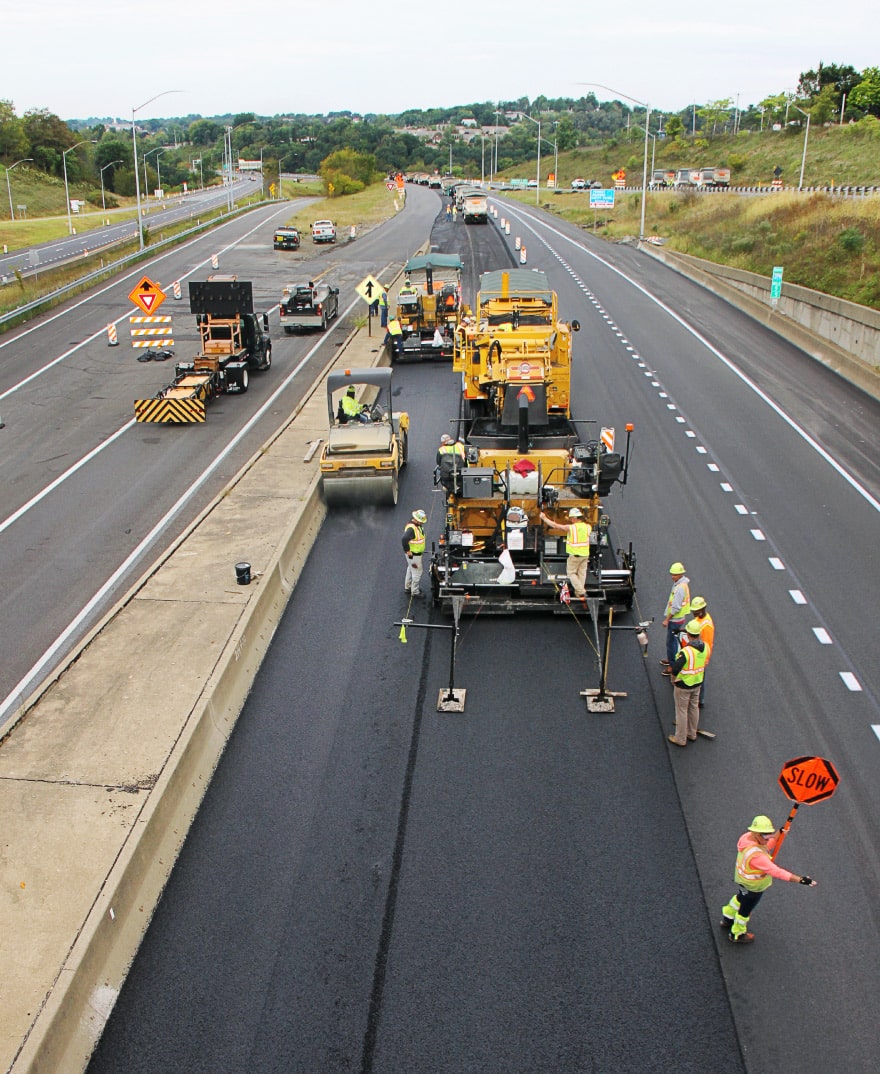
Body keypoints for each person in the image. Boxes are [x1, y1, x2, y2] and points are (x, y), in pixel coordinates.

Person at [721, 815, 817, 944]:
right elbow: (776, 871)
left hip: (742, 881)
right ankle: (737, 933)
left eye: (770, 835)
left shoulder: (746, 839)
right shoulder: (757, 857)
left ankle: (727, 917)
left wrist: (779, 833)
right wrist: (800, 879)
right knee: (745, 911)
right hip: (754, 887)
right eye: (765, 836)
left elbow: (765, 846)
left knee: (740, 898)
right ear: (756, 834)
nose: (768, 839)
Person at [667, 619, 709, 746]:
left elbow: (675, 669)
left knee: (681, 710)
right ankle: (692, 733)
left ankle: (680, 738)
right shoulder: (705, 647)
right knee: (693, 707)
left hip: (684, 684)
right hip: (697, 683)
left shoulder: (686, 652)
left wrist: (673, 680)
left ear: (688, 634)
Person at [538, 507, 592, 599]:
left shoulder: (571, 528)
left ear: (575, 518)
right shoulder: (588, 527)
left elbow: (555, 526)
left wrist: (544, 518)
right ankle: (579, 593)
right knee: (582, 574)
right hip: (585, 555)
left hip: (575, 555)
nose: (571, 520)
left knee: (571, 573)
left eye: (571, 518)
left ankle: (582, 592)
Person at [661, 562, 691, 672]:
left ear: (680, 574)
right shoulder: (680, 584)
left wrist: (666, 620)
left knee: (671, 642)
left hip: (675, 620)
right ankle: (670, 659)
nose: (672, 576)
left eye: (674, 574)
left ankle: (672, 665)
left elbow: (676, 607)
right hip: (679, 619)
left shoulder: (679, 588)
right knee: (672, 641)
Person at [689, 596, 714, 707]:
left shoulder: (707, 626)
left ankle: (700, 700)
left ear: (702, 610)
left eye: (695, 611)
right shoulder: (700, 619)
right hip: (697, 653)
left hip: (701, 656)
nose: (693, 613)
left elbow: (707, 645)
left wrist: (703, 661)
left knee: (700, 678)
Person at [402, 509, 427, 597]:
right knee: (417, 572)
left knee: (410, 568)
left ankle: (408, 587)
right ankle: (415, 592)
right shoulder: (411, 529)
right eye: (421, 521)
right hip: (414, 555)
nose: (422, 523)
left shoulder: (415, 525)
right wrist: (408, 551)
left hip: (413, 555)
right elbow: (404, 539)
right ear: (416, 519)